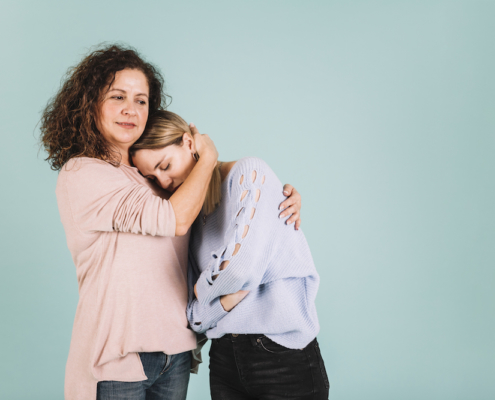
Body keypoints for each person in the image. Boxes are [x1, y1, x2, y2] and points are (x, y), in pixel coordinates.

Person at [39, 44, 303, 400]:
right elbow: (175, 219)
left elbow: (216, 192)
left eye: (141, 100)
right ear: (91, 104)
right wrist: (208, 154)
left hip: (176, 354)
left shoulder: (156, 179)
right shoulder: (83, 173)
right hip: (116, 361)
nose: (130, 109)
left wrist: (273, 191)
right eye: (117, 97)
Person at [131, 110, 329, 400]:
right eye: (152, 176)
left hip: (282, 354)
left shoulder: (250, 174)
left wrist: (204, 290)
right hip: (224, 358)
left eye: (165, 165)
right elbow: (194, 318)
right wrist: (221, 301)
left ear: (189, 143)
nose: (162, 182)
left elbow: (239, 270)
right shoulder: (187, 215)